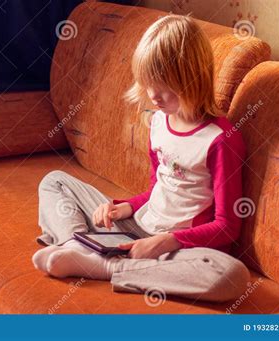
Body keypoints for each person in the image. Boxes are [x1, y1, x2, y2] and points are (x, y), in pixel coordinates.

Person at [32, 14, 251, 303]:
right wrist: (123, 208)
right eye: (148, 83)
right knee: (54, 181)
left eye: (163, 86)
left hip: (179, 247)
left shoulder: (221, 139)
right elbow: (155, 190)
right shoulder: (159, 121)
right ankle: (78, 243)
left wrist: (165, 242)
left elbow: (227, 226)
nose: (152, 95)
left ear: (192, 79)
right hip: (137, 227)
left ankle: (105, 264)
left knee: (231, 276)